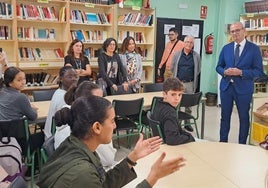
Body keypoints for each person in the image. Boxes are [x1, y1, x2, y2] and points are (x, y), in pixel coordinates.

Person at [38, 96, 186, 188]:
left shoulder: (75, 145)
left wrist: (132, 158)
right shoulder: (82, 174)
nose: (115, 126)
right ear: (97, 127)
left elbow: (102, 183)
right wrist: (153, 177)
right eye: (113, 121)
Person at [216, 21, 263, 144]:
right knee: (224, 117)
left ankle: (242, 144)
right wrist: (225, 72)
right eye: (232, 31)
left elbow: (258, 71)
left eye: (237, 30)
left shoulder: (254, 49)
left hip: (244, 89)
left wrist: (241, 72)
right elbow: (218, 67)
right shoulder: (226, 48)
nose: (235, 33)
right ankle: (222, 142)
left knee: (243, 118)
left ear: (244, 31)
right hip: (226, 88)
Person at [54, 81, 117, 170]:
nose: (102, 103)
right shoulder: (84, 126)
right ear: (85, 103)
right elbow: (108, 159)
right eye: (97, 100)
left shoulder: (72, 116)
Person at [152, 77, 195, 145]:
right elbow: (172, 139)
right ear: (164, 94)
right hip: (172, 148)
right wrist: (190, 137)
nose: (177, 98)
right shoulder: (170, 113)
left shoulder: (158, 104)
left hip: (161, 145)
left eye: (179, 94)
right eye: (173, 94)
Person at [171, 35, 201, 132]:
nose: (189, 44)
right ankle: (178, 124)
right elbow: (172, 67)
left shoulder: (196, 56)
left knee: (189, 105)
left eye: (191, 42)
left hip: (190, 83)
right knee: (177, 103)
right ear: (184, 43)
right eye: (187, 42)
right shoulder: (177, 54)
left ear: (193, 45)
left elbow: (198, 69)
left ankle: (187, 124)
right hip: (178, 83)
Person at [44, 66, 78, 139]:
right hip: (54, 137)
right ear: (61, 79)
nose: (74, 79)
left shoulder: (59, 91)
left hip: (53, 133)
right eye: (69, 77)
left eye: (76, 76)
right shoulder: (64, 97)